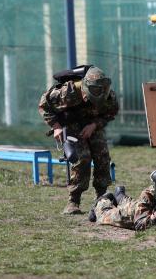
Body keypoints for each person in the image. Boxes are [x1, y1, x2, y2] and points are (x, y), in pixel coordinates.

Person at [39, 66, 119, 214]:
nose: (98, 95)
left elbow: (112, 111)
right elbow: (44, 105)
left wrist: (94, 125)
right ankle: (73, 201)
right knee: (82, 158)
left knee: (102, 156)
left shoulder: (107, 95)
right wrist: (56, 127)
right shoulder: (68, 91)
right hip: (71, 124)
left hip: (92, 125)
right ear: (85, 88)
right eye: (93, 94)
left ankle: (102, 199)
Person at [89, 164, 156, 230]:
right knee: (105, 215)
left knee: (132, 204)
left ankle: (120, 197)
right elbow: (139, 224)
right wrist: (154, 218)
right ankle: (102, 201)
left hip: (136, 206)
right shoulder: (148, 194)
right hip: (129, 216)